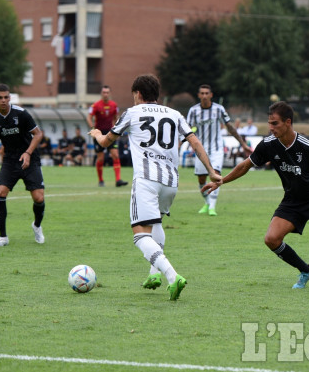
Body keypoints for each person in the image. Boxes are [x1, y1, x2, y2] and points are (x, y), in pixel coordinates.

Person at [202, 101, 309, 293]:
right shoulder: (268, 144)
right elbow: (245, 165)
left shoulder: (307, 147)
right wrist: (222, 181)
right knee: (271, 239)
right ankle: (306, 270)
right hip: (292, 200)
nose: (270, 128)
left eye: (274, 123)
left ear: (288, 122)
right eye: (269, 123)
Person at [90, 74, 221, 300]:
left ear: (138, 94)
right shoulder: (174, 113)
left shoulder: (132, 113)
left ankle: (172, 276)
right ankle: (154, 274)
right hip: (171, 182)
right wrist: (211, 170)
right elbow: (194, 141)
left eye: (134, 96)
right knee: (156, 221)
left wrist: (97, 133)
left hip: (146, 180)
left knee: (139, 235)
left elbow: (105, 143)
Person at [0, 84, 46, 247]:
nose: (3, 100)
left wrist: (28, 153)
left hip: (30, 158)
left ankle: (36, 225)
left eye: (6, 97)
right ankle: (3, 237)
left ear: (10, 98)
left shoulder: (21, 114)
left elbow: (38, 134)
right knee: (0, 192)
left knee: (38, 197)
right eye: (0, 97)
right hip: (10, 160)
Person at [186, 84, 251, 216]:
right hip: (201, 150)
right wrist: (179, 145)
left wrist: (243, 144)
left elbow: (230, 127)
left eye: (206, 93)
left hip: (216, 149)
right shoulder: (193, 111)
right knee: (201, 179)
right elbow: (186, 130)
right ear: (199, 95)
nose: (204, 96)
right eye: (202, 93)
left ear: (211, 95)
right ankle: (207, 203)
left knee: (215, 175)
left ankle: (212, 208)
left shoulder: (219, 109)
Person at [87, 85, 128, 187]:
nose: (105, 94)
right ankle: (101, 180)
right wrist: (93, 129)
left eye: (107, 92)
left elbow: (116, 118)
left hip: (110, 133)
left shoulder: (114, 105)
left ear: (110, 94)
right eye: (104, 92)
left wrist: (116, 130)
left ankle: (118, 180)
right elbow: (89, 117)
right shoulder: (96, 105)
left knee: (115, 155)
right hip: (99, 133)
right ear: (101, 94)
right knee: (100, 158)